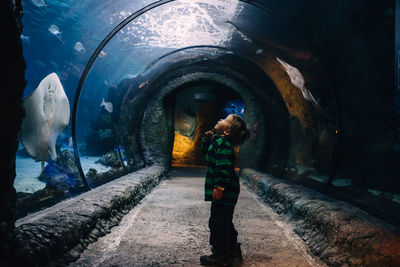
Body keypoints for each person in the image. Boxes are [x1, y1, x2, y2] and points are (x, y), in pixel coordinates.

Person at [200, 114, 250, 266]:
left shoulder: (223, 145)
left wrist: (220, 187)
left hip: (225, 191)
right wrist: (207, 141)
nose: (219, 119)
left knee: (218, 223)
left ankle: (220, 256)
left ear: (227, 131)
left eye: (224, 120)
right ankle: (233, 249)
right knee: (225, 221)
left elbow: (223, 168)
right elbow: (207, 156)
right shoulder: (218, 142)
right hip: (227, 191)